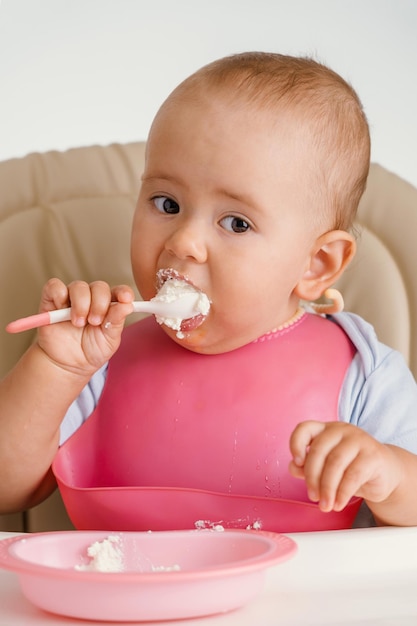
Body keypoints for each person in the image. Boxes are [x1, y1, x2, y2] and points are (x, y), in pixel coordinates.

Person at [1, 51, 417, 530]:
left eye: (236, 223)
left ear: (316, 264)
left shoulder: (366, 373)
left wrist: (388, 475)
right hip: (128, 602)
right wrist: (55, 367)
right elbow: (7, 489)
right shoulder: (97, 359)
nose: (183, 242)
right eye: (167, 203)